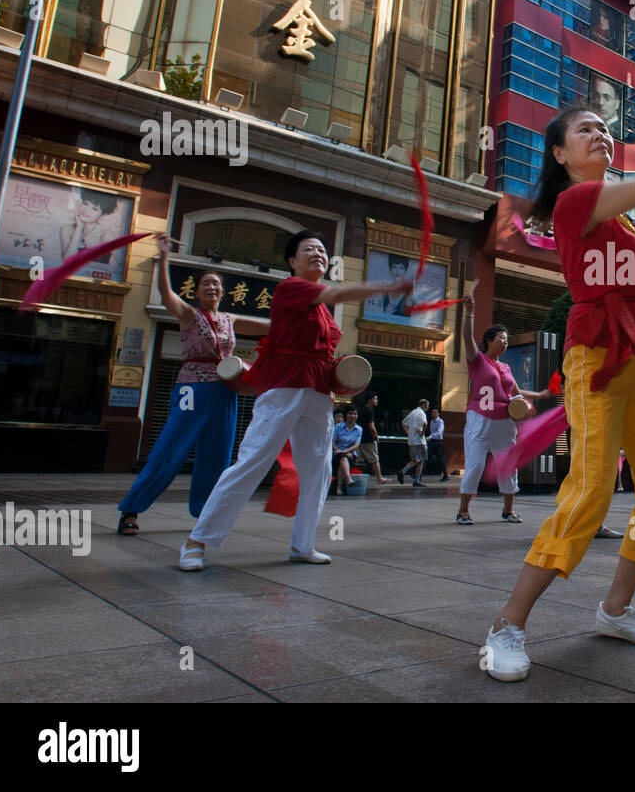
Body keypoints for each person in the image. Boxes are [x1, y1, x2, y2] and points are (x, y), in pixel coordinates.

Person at [480, 106, 635, 682]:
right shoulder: (574, 202)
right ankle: (506, 624)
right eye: (585, 130)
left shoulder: (634, 229)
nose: (602, 135)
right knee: (590, 490)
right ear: (560, 155)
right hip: (596, 358)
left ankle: (614, 609)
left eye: (606, 128)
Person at [178, 230, 411, 570]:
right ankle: (196, 541)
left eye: (321, 249)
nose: (318, 253)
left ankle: (302, 544)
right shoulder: (292, 288)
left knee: (319, 468)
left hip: (317, 391)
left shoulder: (325, 312)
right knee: (253, 460)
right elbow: (337, 291)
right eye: (309, 249)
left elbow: (325, 350)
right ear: (292, 260)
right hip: (285, 383)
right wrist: (386, 287)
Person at [116, 234, 270, 535]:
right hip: (191, 389)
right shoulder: (188, 315)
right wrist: (163, 258)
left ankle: (205, 513)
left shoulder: (230, 318)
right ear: (197, 292)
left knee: (218, 454)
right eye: (206, 284)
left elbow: (274, 327)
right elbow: (165, 292)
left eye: (216, 284)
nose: (212, 287)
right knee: (170, 449)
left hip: (226, 391)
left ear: (222, 291)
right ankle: (131, 510)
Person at [456, 321, 550, 524]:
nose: (505, 342)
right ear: (489, 340)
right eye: (502, 338)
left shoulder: (505, 367)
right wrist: (471, 314)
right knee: (476, 464)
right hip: (480, 418)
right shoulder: (477, 359)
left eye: (507, 339)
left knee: (509, 464)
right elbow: (466, 337)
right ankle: (463, 511)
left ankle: (508, 510)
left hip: (505, 420)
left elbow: (516, 393)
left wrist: (541, 395)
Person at [60, 187, 121, 262]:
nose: (86, 210)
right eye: (85, 203)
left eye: (94, 209)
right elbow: (67, 261)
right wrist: (79, 228)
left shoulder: (104, 236)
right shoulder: (67, 229)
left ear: (102, 214)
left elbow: (121, 262)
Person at [354, 391, 388, 485]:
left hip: (359, 439)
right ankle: (379, 478)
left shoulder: (360, 410)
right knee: (374, 459)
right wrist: (376, 436)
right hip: (368, 439)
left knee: (357, 459)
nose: (377, 400)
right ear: (369, 400)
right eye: (375, 399)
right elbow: (371, 426)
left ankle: (354, 477)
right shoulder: (369, 411)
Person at [331, 406, 362, 495]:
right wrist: (339, 450)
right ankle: (348, 478)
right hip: (337, 454)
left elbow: (357, 445)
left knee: (343, 458)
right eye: (350, 414)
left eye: (355, 414)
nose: (353, 416)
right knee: (342, 457)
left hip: (351, 455)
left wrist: (346, 452)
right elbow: (332, 442)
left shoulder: (359, 429)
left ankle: (339, 488)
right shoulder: (338, 427)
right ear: (346, 415)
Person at [399, 398, 429, 483]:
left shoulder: (413, 412)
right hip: (419, 441)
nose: (427, 408)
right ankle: (403, 471)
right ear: (423, 405)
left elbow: (403, 422)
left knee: (418, 460)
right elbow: (425, 423)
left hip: (411, 440)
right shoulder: (421, 413)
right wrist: (423, 432)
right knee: (419, 459)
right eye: (427, 406)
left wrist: (408, 433)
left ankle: (417, 480)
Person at [427, 408, 448, 481]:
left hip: (438, 442)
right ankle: (418, 474)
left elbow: (439, 432)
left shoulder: (440, 421)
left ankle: (445, 476)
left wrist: (430, 437)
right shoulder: (431, 421)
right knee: (426, 456)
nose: (434, 414)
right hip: (432, 441)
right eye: (433, 412)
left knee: (440, 459)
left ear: (438, 414)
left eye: (435, 412)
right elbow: (431, 431)